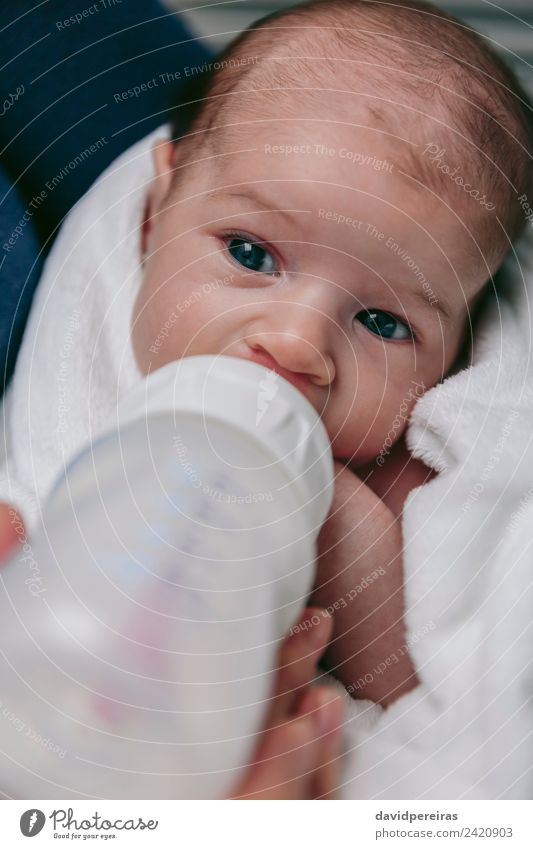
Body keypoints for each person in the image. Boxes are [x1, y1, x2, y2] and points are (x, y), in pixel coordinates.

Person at [1, 0, 532, 793]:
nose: (295, 344)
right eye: (250, 253)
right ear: (153, 216)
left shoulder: (389, 479)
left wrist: (343, 527)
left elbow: (414, 682)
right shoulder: (94, 353)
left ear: (457, 353)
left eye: (383, 322)